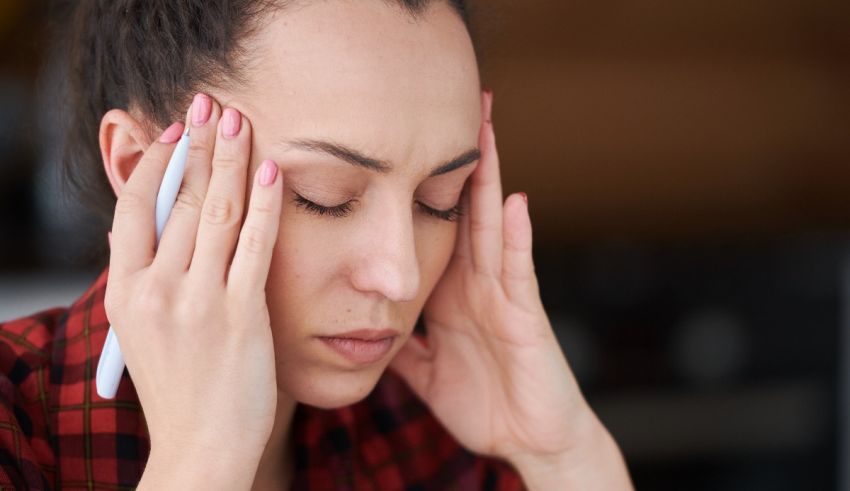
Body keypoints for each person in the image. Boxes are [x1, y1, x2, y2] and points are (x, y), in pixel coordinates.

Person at [0, 0, 633, 489]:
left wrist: (565, 456)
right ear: (144, 170)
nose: (401, 276)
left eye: (440, 200)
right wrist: (203, 462)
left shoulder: (430, 438)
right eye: (323, 197)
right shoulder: (16, 430)